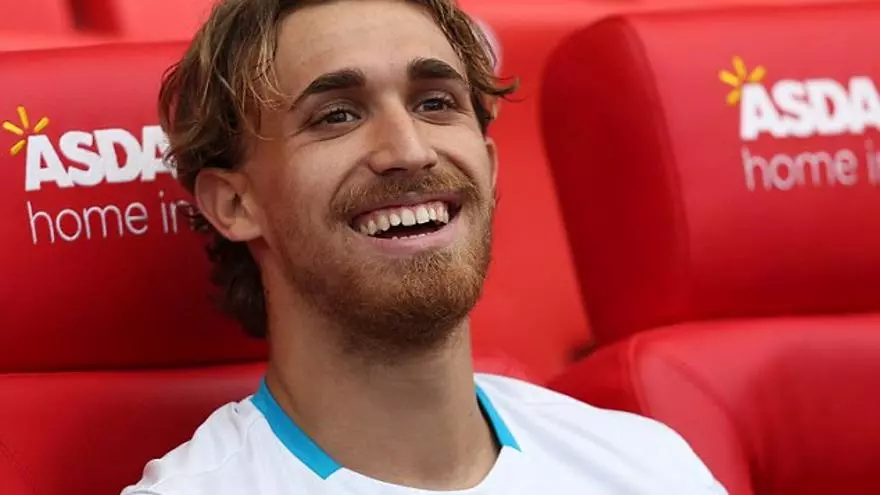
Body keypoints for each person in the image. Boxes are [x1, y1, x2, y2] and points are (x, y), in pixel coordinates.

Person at [122, 0, 728, 493]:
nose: (410, 151)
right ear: (235, 203)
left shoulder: (647, 466)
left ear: (489, 167)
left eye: (436, 103)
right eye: (337, 115)